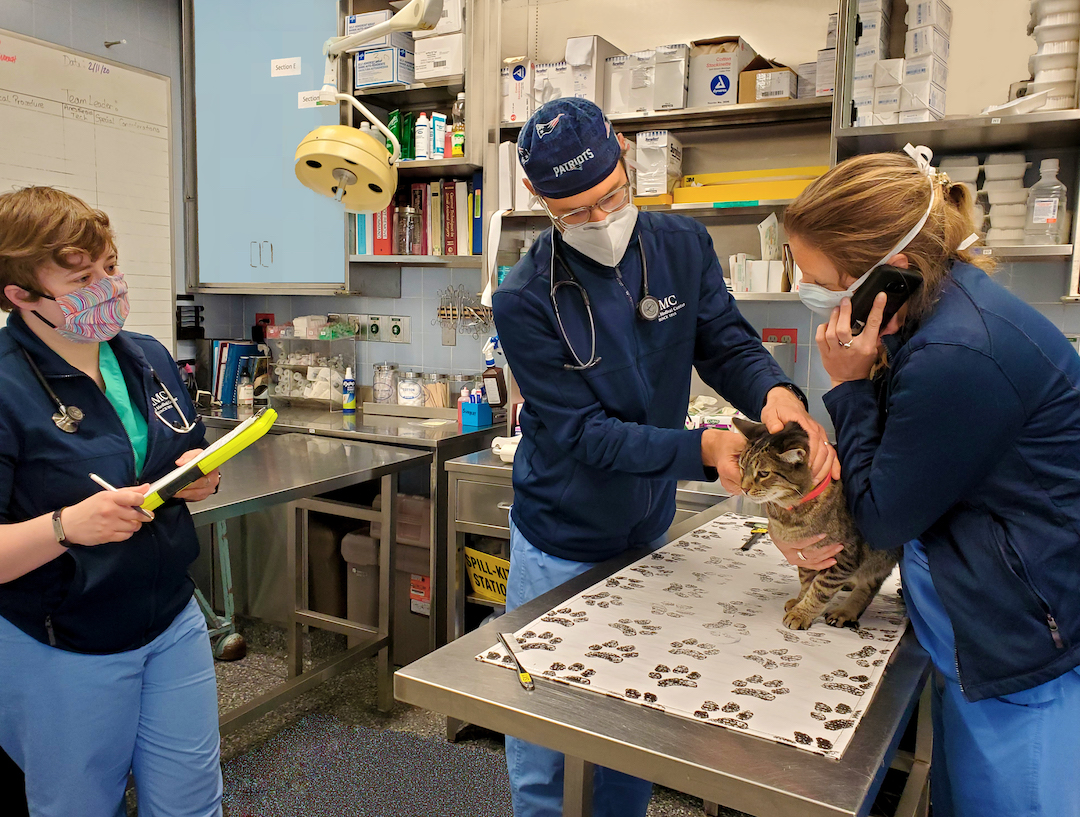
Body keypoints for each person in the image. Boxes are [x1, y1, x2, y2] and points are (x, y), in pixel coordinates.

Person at [491, 97, 838, 817]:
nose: (599, 221)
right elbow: (585, 434)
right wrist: (705, 449)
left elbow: (727, 344)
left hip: (644, 534)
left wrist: (776, 395)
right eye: (575, 212)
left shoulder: (682, 245)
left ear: (624, 152)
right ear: (537, 197)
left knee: (630, 739)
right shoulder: (524, 297)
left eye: (612, 196)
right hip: (559, 541)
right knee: (548, 755)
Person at [774, 145, 1080, 817]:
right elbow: (907, 461)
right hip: (975, 624)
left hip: (1020, 645)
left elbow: (883, 514)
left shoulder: (957, 353)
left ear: (893, 272)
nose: (808, 289)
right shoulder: (933, 312)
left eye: (818, 276)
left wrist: (849, 386)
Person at [0, 187, 224, 816]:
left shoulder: (145, 357)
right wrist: (67, 526)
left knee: (191, 803)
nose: (106, 286)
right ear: (20, 295)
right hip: (62, 641)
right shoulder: (6, 384)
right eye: (79, 277)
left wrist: (198, 476)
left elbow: (182, 453)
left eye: (110, 267)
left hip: (170, 618)